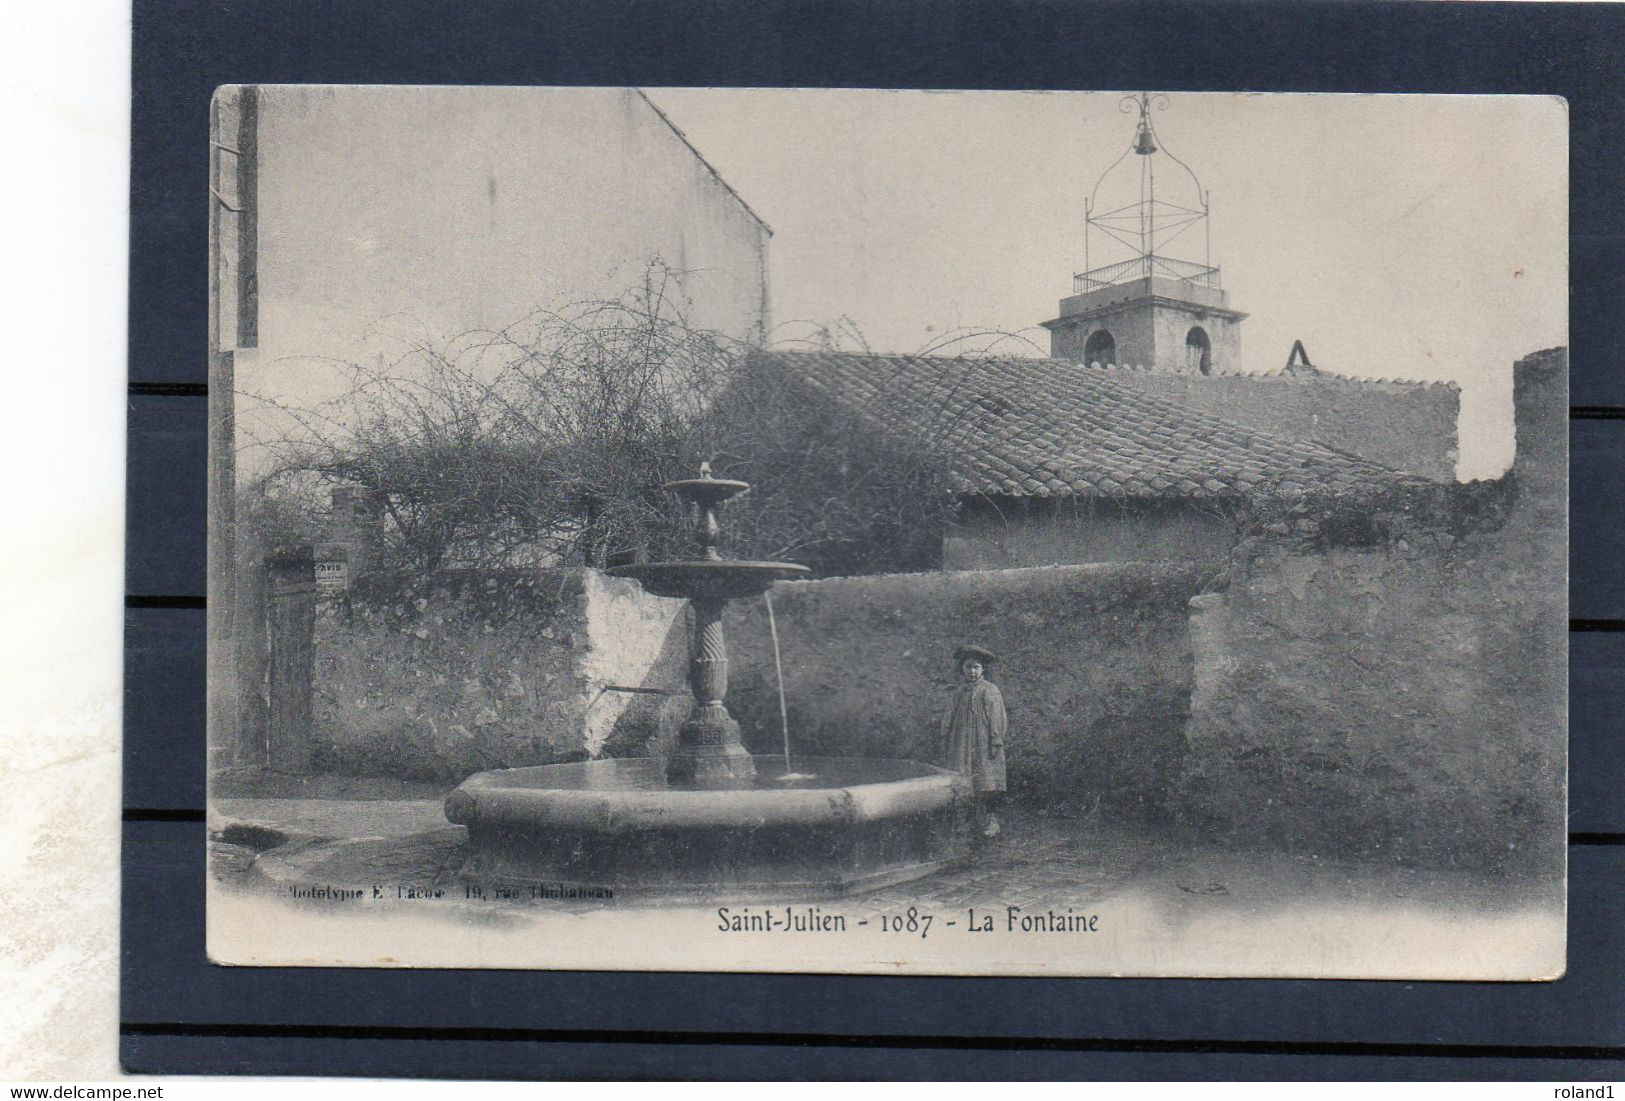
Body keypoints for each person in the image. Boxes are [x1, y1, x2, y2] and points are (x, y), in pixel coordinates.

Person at [941, 644, 1007, 839]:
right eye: (968, 667)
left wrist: (995, 739)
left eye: (976, 667)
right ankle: (965, 821)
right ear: (962, 668)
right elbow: (949, 716)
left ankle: (991, 821)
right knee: (964, 780)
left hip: (983, 742)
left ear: (983, 669)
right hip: (961, 742)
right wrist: (945, 734)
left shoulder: (989, 690)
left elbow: (997, 717)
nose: (972, 671)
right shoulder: (960, 692)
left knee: (987, 781)